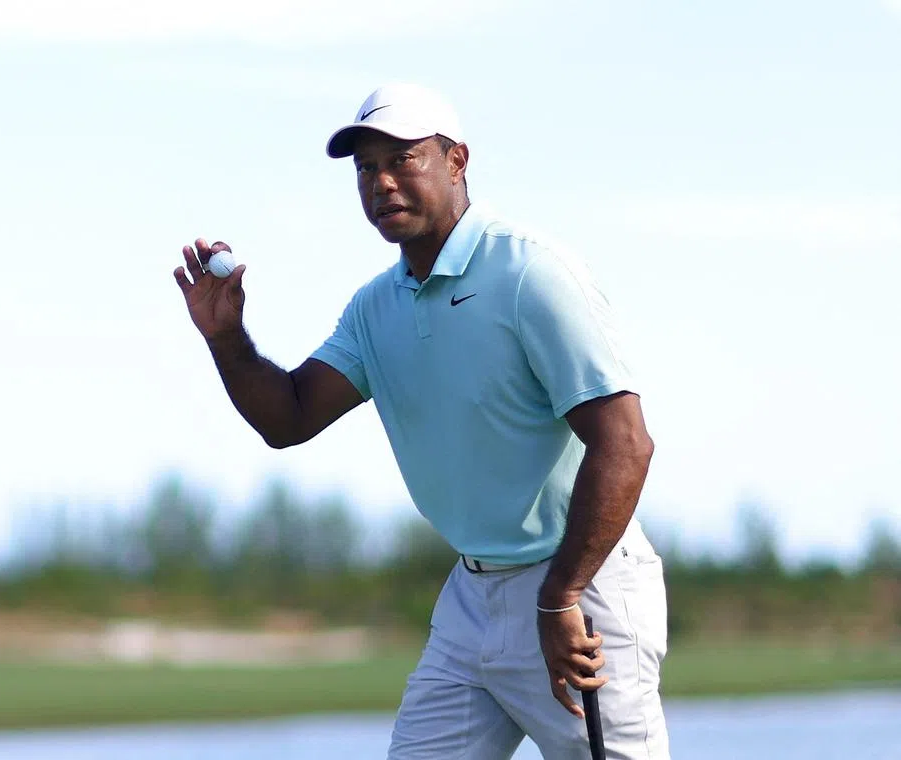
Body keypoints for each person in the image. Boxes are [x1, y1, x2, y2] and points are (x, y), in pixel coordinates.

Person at [173, 82, 670, 760]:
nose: (381, 182)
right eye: (366, 169)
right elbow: (288, 417)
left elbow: (626, 444)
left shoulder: (530, 273)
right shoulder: (376, 307)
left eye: (403, 159)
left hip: (584, 588)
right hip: (472, 596)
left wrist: (560, 597)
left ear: (457, 159)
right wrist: (226, 338)